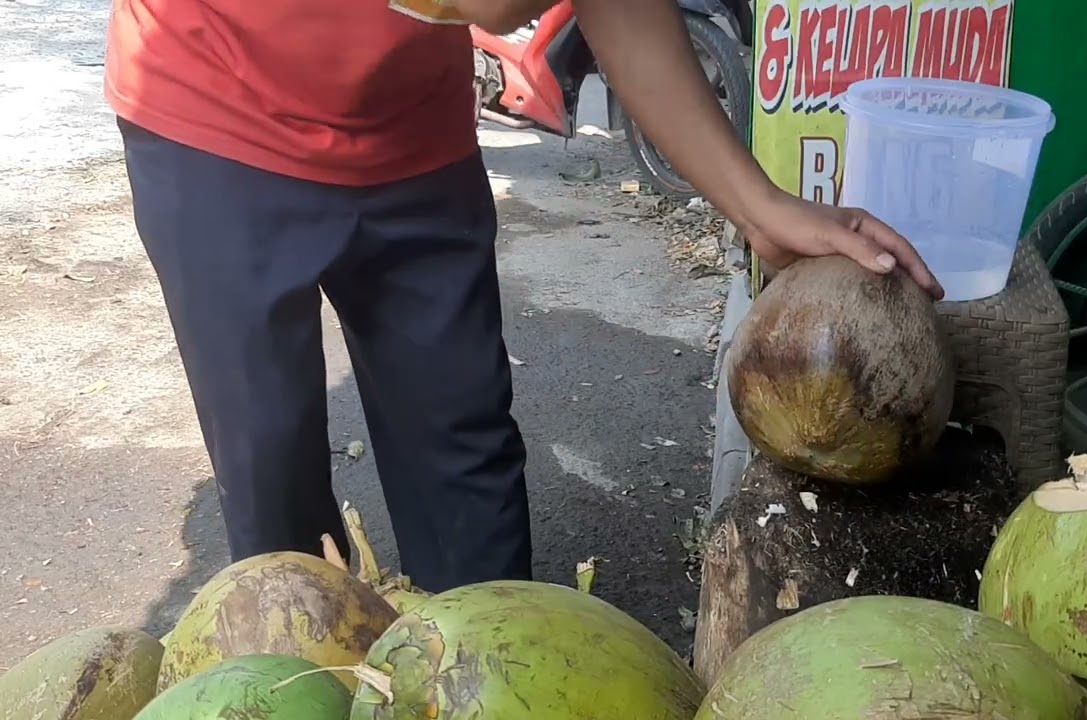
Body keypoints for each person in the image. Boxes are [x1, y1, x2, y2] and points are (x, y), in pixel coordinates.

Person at [104, 0, 942, 592]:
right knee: (270, 471)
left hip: (412, 137)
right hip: (211, 121)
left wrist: (759, 207)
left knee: (462, 454)